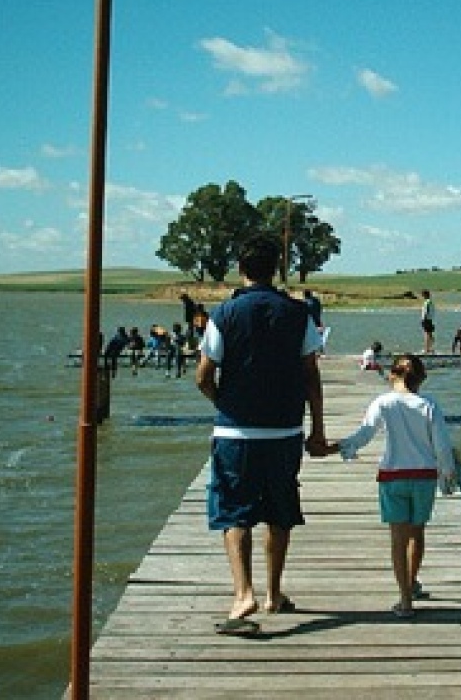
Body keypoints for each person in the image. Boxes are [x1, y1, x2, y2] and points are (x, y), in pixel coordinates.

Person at [196, 235, 327, 637]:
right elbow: (310, 375)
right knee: (279, 510)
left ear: (242, 268)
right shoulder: (298, 313)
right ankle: (273, 593)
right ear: (277, 269)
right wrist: (318, 429)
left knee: (234, 509)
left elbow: (203, 374)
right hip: (285, 428)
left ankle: (243, 593)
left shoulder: (225, 313)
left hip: (236, 429)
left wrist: (225, 402)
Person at [310, 354, 457, 618]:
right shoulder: (429, 404)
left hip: (392, 477)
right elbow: (442, 446)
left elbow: (364, 435)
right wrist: (447, 475)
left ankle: (404, 600)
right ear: (421, 378)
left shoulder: (383, 403)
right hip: (424, 476)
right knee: (417, 533)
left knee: (398, 539)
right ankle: (412, 583)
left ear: (392, 375)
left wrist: (334, 448)